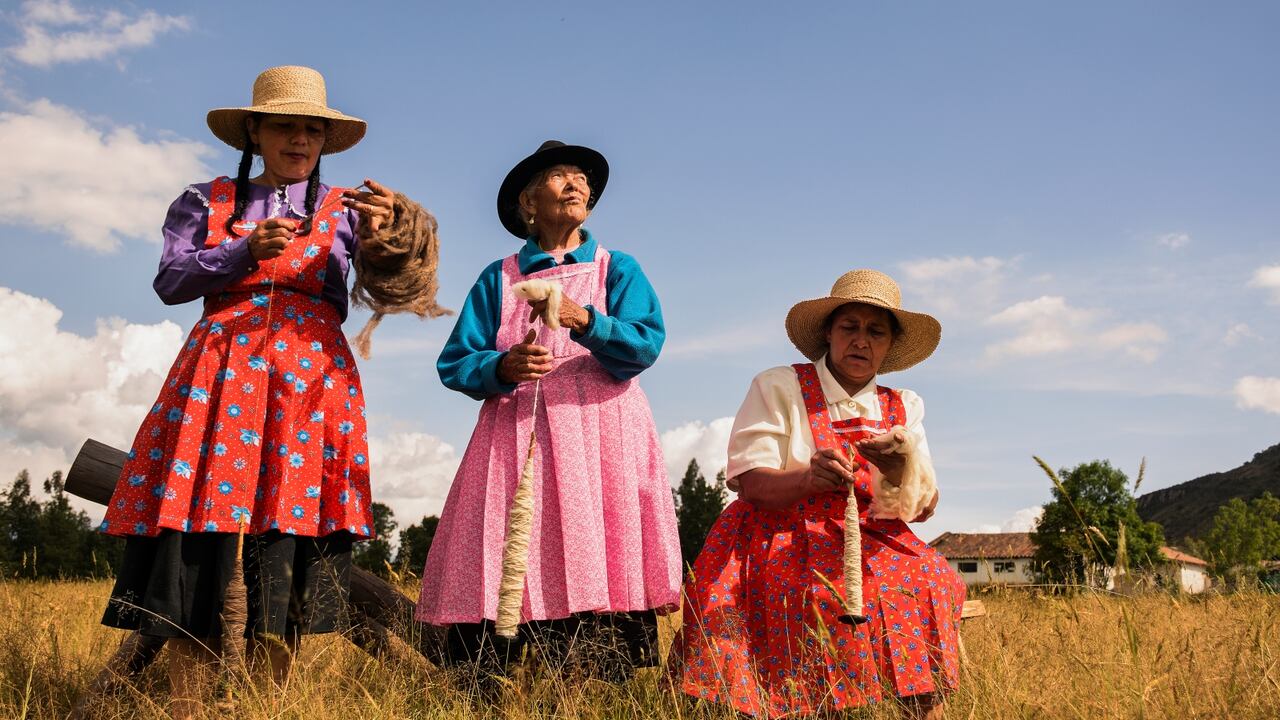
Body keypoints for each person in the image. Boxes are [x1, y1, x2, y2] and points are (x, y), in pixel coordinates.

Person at [98, 66, 441, 718]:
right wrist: (242, 252)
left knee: (280, 580)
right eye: (286, 125)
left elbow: (396, 285)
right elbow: (171, 280)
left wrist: (397, 230)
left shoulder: (348, 210)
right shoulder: (206, 200)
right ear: (254, 130)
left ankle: (261, 710)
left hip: (309, 393)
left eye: (314, 129)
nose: (301, 139)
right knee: (202, 567)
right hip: (219, 386)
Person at [416, 140, 682, 685]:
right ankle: (495, 677)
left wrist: (584, 320)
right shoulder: (501, 276)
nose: (577, 183)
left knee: (600, 542)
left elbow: (646, 345)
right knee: (510, 538)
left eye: (582, 177)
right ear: (527, 203)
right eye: (560, 175)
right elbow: (455, 362)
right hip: (519, 431)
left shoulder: (615, 268)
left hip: (603, 434)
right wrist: (503, 366)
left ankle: (597, 680)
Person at [672, 269, 965, 719]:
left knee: (934, 581)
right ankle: (807, 706)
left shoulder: (902, 406)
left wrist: (898, 472)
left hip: (871, 535)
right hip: (776, 531)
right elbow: (750, 482)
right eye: (850, 327)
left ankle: (923, 708)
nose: (861, 341)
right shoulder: (780, 386)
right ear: (828, 332)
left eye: (876, 332)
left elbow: (923, 507)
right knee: (805, 592)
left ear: (889, 346)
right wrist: (807, 479)